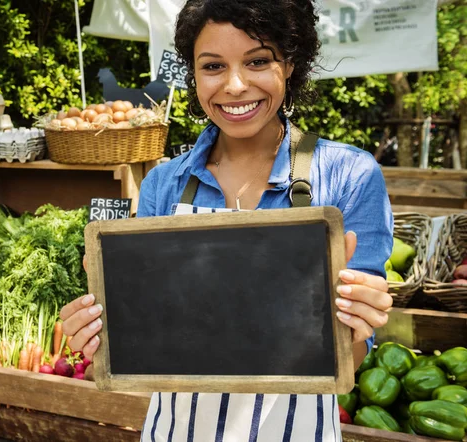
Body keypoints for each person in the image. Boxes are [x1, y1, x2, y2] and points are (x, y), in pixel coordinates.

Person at [60, 0, 394, 440]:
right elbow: (148, 339)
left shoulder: (350, 175)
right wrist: (100, 332)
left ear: (290, 64)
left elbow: (352, 356)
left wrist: (360, 317)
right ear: (194, 75)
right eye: (213, 66)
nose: (235, 86)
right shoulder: (164, 184)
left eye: (257, 61)